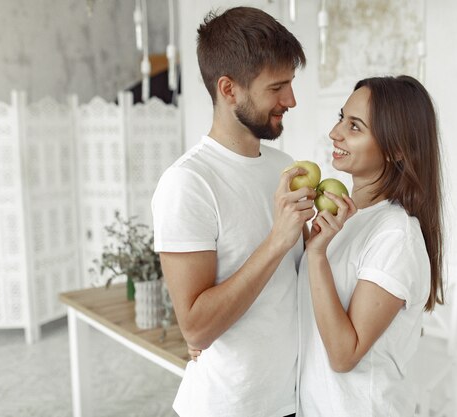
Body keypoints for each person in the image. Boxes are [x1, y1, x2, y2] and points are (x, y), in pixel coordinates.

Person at [151, 6, 315, 417]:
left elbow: (284, 287)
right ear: (229, 90)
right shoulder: (188, 183)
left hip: (290, 397)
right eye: (277, 87)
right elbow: (197, 327)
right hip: (229, 407)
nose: (290, 100)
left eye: (291, 84)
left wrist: (315, 243)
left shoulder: (284, 167)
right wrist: (278, 240)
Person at [297, 75, 445, 416]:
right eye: (340, 118)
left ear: (394, 149)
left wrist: (316, 255)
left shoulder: (396, 235)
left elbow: (343, 354)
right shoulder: (347, 217)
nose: (335, 133)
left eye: (354, 126)